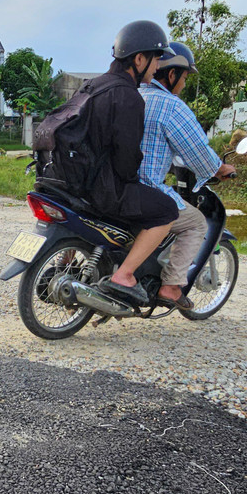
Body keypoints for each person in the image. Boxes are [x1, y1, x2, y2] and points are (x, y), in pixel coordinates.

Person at [80, 20, 180, 305]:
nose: (157, 66)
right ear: (138, 58)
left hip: (76, 182)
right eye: (156, 58)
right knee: (166, 209)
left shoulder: (91, 86)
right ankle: (124, 274)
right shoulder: (129, 97)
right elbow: (126, 161)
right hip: (104, 189)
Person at [138, 42, 237, 309]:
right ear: (171, 75)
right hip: (144, 188)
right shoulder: (171, 106)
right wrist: (220, 169)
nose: (183, 85)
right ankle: (171, 287)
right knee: (195, 223)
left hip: (114, 184)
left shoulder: (131, 95)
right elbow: (197, 150)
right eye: (183, 78)